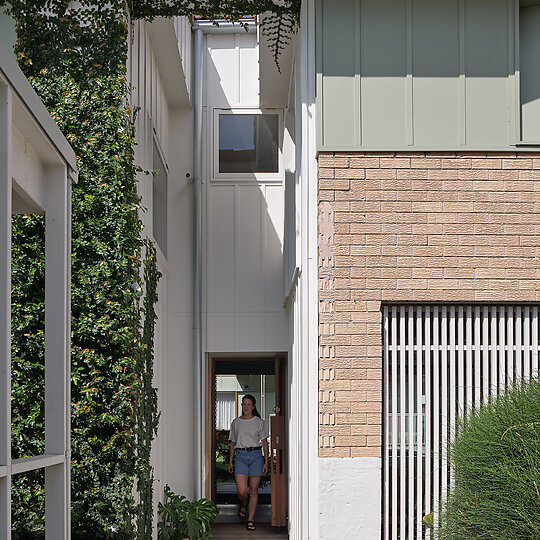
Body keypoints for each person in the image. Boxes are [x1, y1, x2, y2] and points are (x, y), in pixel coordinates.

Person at [228, 394, 269, 532]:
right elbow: (233, 442)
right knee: (241, 490)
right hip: (240, 456)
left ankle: (250, 519)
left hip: (256, 456)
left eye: (248, 404)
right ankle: (244, 503)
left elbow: (264, 443)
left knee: (253, 490)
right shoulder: (236, 422)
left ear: (253, 406)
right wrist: (230, 462)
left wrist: (266, 462)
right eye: (243, 404)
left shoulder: (259, 422)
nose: (245, 407)